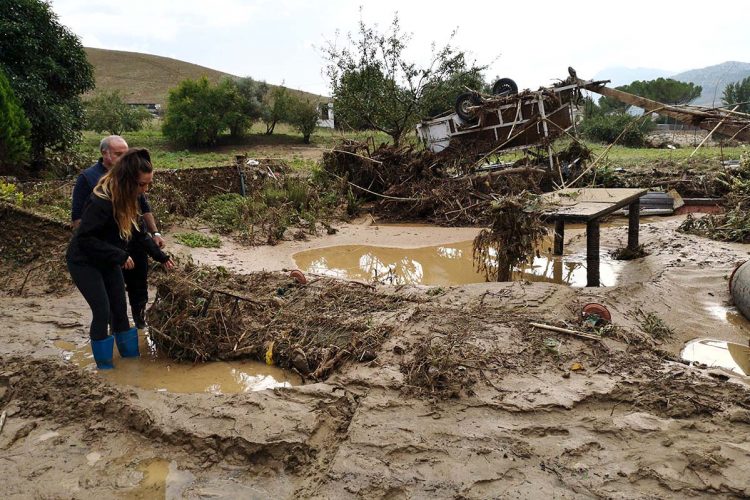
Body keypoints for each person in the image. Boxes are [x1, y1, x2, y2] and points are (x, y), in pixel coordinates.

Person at [67, 148, 174, 369]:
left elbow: (139, 234)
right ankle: (105, 368)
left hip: (108, 260)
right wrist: (119, 255)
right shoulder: (102, 201)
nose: (145, 190)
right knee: (102, 310)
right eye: (142, 184)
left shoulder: (129, 199)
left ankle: (131, 363)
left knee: (120, 309)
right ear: (127, 180)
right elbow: (85, 238)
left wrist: (161, 257)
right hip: (84, 261)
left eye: (148, 184)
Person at [72, 135, 165, 328]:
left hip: (126, 245)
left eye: (125, 154)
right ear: (104, 153)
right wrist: (113, 252)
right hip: (103, 250)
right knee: (107, 308)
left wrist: (157, 245)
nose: (124, 158)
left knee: (136, 290)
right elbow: (81, 226)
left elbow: (140, 219)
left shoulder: (132, 188)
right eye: (119, 154)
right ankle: (110, 344)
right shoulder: (94, 185)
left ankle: (137, 330)